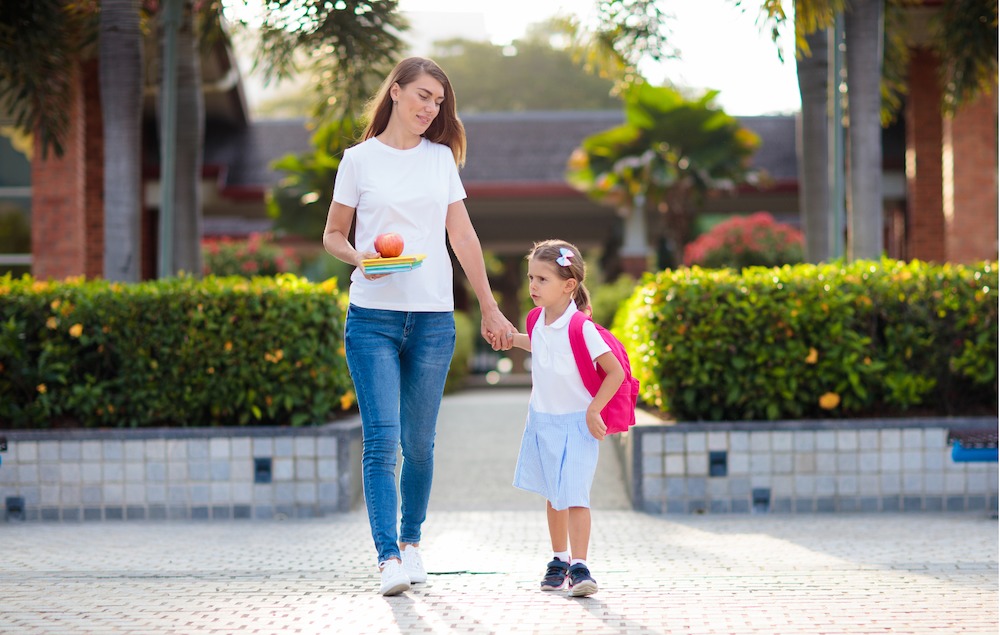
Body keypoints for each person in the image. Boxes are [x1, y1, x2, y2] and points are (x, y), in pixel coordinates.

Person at [322, 57, 516, 596]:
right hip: (372, 319)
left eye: (439, 102)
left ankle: (412, 543)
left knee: (421, 445)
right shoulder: (358, 161)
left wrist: (490, 307)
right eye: (423, 96)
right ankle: (387, 558)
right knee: (382, 444)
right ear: (396, 91)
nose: (430, 109)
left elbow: (464, 238)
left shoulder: (440, 162)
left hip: (433, 320)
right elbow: (334, 234)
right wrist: (361, 258)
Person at [508, 239, 625, 597]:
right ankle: (558, 560)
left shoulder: (582, 328)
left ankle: (580, 565)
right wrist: (513, 339)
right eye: (531, 278)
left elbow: (615, 372)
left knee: (575, 495)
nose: (533, 286)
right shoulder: (537, 320)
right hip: (542, 421)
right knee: (554, 495)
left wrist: (593, 410)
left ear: (569, 285)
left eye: (542, 279)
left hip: (577, 425)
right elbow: (541, 344)